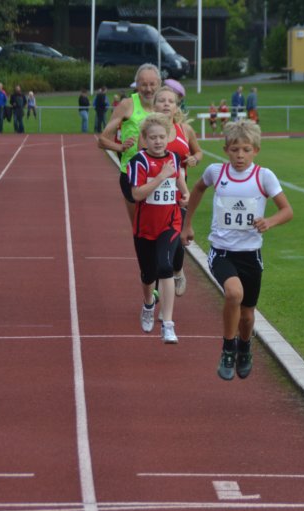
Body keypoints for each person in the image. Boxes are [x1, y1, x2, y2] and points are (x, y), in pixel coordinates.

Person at [181, 120, 293, 381]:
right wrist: (187, 224)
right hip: (222, 251)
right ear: (225, 150)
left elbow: (287, 210)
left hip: (250, 254)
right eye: (234, 150)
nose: (240, 155)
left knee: (248, 316)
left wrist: (269, 221)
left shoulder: (264, 176)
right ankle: (228, 349)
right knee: (234, 293)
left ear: (256, 150)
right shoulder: (216, 172)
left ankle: (244, 347)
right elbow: (197, 189)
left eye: (245, 150)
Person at [128, 113, 190, 343]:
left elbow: (179, 180)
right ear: (145, 139)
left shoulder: (173, 158)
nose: (158, 141)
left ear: (167, 137)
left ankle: (168, 324)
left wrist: (185, 194)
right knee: (148, 275)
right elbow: (137, 194)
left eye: (162, 137)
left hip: (170, 223)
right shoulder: (139, 161)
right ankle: (148, 305)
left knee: (165, 267)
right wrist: (160, 177)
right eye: (153, 137)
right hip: (145, 228)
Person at [152, 83, 204, 297]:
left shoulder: (185, 130)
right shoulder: (148, 131)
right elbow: (141, 159)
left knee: (178, 237)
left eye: (170, 101)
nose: (166, 104)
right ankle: (157, 285)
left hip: (179, 193)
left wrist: (194, 159)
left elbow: (198, 152)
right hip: (155, 194)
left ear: (176, 106)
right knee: (157, 241)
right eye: (162, 100)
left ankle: (178, 270)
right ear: (154, 105)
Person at [98, 63, 161, 223]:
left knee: (160, 226)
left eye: (152, 84)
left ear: (159, 84)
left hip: (159, 173)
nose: (148, 89)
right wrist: (120, 147)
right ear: (137, 85)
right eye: (144, 84)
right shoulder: (127, 105)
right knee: (139, 227)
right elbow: (103, 140)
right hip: (132, 174)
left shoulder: (163, 106)